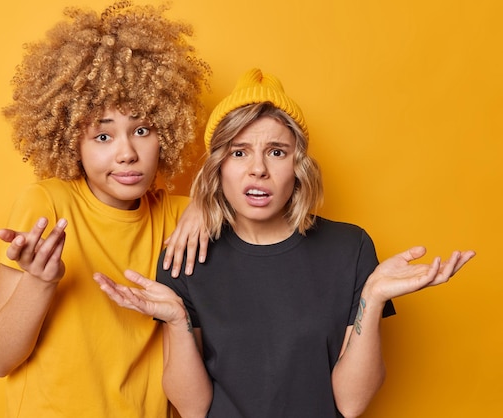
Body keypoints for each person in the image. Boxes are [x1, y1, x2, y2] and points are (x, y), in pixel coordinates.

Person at [93, 68, 476, 418]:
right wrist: (176, 320)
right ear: (219, 167)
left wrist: (372, 299)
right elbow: (193, 409)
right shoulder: (186, 255)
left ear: (298, 165)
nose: (258, 169)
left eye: (276, 152)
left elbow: (351, 403)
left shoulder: (350, 248)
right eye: (239, 152)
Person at [0, 2, 210, 417]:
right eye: (102, 137)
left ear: (168, 130)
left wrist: (206, 203)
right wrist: (38, 281)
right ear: (71, 142)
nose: (127, 153)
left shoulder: (181, 218)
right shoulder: (47, 203)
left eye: (142, 130)